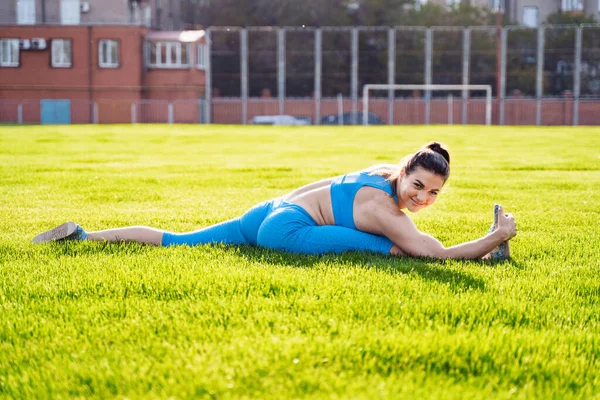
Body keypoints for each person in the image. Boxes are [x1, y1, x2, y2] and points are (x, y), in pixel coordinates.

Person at [31, 142, 517, 260]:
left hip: (267, 211)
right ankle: (493, 254)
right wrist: (496, 236)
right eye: (419, 187)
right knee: (389, 248)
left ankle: (85, 235)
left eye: (434, 193)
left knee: (177, 241)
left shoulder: (379, 172)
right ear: (404, 173)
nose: (424, 197)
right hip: (286, 230)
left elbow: (398, 186)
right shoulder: (383, 212)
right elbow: (433, 252)